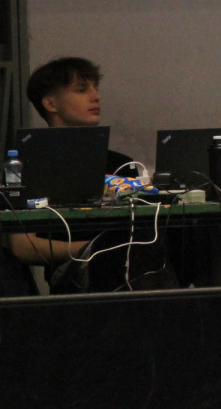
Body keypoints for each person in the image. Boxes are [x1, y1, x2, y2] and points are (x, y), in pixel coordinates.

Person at [9, 57, 137, 274]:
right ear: (51, 104)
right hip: (76, 271)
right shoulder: (27, 165)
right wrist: (95, 249)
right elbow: (23, 247)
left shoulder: (122, 164)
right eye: (81, 90)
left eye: (96, 88)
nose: (96, 97)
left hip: (133, 266)